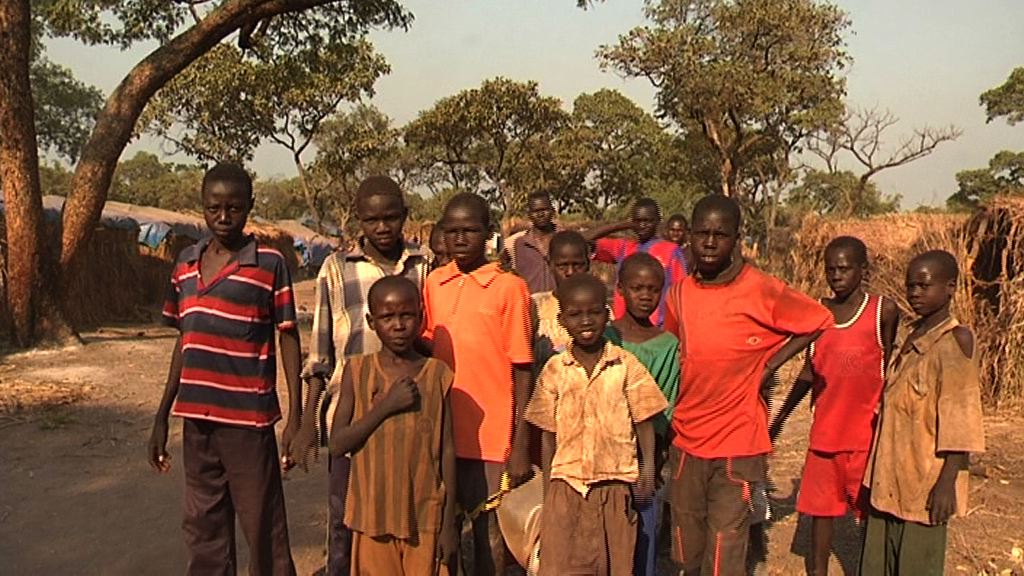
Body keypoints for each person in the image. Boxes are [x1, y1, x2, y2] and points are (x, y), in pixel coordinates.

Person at [662, 194, 832, 576]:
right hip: (686, 439)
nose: (709, 243)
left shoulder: (760, 288)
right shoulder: (679, 294)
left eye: (720, 235)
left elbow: (818, 319)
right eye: (702, 233)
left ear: (737, 238)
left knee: (725, 549)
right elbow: (674, 352)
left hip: (736, 443)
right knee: (686, 551)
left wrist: (769, 365)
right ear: (689, 235)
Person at [147, 163, 300, 576]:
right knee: (203, 523)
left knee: (261, 522)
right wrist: (162, 415)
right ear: (202, 206)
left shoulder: (269, 263)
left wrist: (296, 416)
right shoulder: (185, 263)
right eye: (214, 207)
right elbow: (185, 341)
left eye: (234, 207)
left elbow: (288, 335)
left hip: (247, 420)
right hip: (196, 418)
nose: (224, 216)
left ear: (249, 206)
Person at [294, 175, 430, 576]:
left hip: (410, 410)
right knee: (344, 519)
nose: (382, 227)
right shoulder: (336, 269)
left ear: (405, 216)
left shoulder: (423, 264)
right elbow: (321, 352)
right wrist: (307, 421)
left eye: (391, 218)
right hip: (350, 415)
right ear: (359, 220)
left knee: (403, 516)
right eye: (372, 220)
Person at [768, 236, 900, 576]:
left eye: (844, 268)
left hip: (866, 436)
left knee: (868, 512)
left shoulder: (882, 312)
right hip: (825, 435)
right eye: (830, 269)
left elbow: (890, 368)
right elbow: (809, 371)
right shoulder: (818, 314)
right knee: (821, 512)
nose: (836, 276)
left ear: (862, 270)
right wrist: (780, 417)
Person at [525, 272, 668, 575]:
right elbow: (548, 435)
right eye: (575, 315)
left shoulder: (625, 365)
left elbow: (644, 420)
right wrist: (550, 491)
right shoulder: (554, 370)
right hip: (567, 485)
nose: (586, 321)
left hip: (614, 485)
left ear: (607, 314)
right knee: (561, 563)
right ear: (562, 321)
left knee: (615, 562)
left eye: (594, 312)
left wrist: (647, 470)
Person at [421, 192, 534, 575]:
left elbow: (523, 368)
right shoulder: (435, 282)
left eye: (469, 230)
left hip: (491, 437)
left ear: (487, 233)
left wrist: (520, 443)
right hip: (443, 432)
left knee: (490, 536)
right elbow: (427, 346)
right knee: (445, 532)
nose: (460, 239)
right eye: (452, 231)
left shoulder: (509, 288)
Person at [859, 250, 985, 576]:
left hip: (924, 482)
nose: (915, 293)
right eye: (911, 286)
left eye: (924, 286)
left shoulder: (955, 342)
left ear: (950, 287)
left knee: (916, 564)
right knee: (876, 563)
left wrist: (947, 483)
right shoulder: (912, 336)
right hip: (890, 474)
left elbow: (961, 419)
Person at [328, 276, 457, 574]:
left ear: (421, 317)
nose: (398, 325)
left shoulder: (437, 374)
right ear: (371, 322)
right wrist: (386, 406)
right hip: (373, 514)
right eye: (387, 318)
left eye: (407, 315)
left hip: (424, 514)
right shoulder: (357, 371)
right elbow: (337, 444)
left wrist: (449, 522)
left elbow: (447, 448)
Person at [604, 252, 680, 576]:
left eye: (653, 289)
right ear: (620, 289)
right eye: (637, 288)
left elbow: (665, 406)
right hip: (602, 454)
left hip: (643, 457)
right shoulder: (604, 337)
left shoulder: (668, 345)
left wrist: (655, 459)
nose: (645, 296)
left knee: (643, 538)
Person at [586, 197, 688, 326]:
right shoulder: (623, 248)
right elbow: (583, 239)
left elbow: (682, 293)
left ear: (657, 221)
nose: (642, 225)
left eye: (647, 221)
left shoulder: (670, 251)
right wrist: (622, 225)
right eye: (638, 221)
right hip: (623, 328)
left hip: (657, 327)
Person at [531, 230, 591, 370]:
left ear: (588, 264)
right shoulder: (535, 305)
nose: (570, 272)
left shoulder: (598, 308)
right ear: (550, 264)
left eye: (577, 265)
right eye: (562, 266)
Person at [505, 192, 560, 294]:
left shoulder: (564, 239)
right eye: (536, 211)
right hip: (530, 301)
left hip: (561, 301)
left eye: (544, 210)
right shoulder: (519, 244)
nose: (540, 214)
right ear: (529, 214)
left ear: (552, 211)